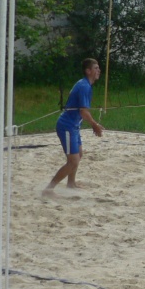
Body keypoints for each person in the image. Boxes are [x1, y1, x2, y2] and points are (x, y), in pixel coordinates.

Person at [44, 58, 104, 195]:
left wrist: (93, 124)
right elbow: (83, 112)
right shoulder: (84, 86)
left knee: (79, 155)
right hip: (67, 126)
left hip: (74, 126)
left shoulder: (85, 84)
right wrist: (94, 125)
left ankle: (71, 183)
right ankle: (49, 188)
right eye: (96, 68)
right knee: (73, 161)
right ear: (88, 71)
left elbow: (82, 111)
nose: (99, 70)